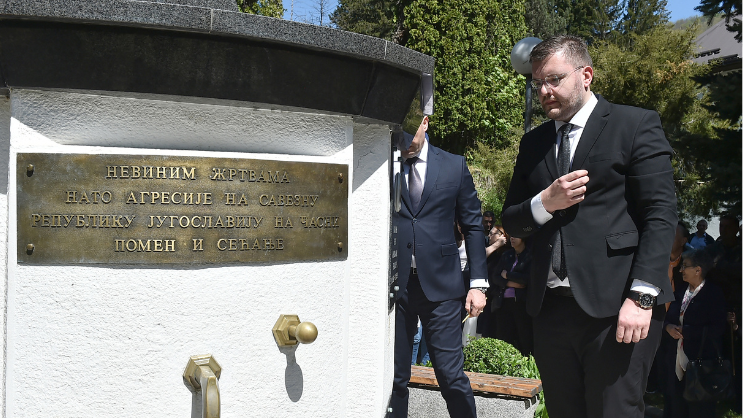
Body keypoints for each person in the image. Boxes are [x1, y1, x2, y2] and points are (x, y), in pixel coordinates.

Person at [501, 35, 677, 418]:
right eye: (537, 83)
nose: (544, 91)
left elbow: (660, 214)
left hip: (618, 308)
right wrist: (545, 203)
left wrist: (642, 297)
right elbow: (511, 218)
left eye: (554, 79)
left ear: (586, 75)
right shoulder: (533, 144)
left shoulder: (634, 124)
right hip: (550, 311)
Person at [390, 113, 488, 418]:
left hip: (443, 287)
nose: (405, 146)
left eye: (410, 139)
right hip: (395, 285)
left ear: (424, 123)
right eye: (400, 139)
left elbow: (473, 225)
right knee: (394, 376)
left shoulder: (453, 165)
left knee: (450, 375)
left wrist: (478, 284)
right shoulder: (385, 162)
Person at [663, 250, 727, 418]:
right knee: (676, 407)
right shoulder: (680, 291)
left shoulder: (713, 293)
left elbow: (718, 328)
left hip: (700, 363)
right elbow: (667, 317)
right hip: (676, 360)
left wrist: (688, 332)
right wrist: (668, 327)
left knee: (700, 409)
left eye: (685, 266)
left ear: (698, 270)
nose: (681, 270)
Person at [491, 235, 533, 356]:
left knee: (524, 337)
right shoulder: (506, 255)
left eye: (516, 236)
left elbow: (527, 279)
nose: (512, 238)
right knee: (503, 337)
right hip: (503, 302)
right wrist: (509, 283)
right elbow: (495, 276)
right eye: (511, 236)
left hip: (521, 303)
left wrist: (507, 275)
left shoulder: (529, 255)